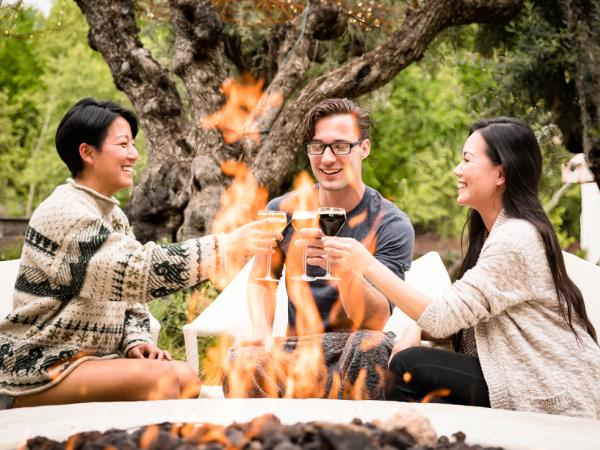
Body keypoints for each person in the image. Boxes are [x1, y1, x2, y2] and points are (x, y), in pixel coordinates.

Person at [0, 98, 281, 409]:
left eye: (133, 144)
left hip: (93, 360)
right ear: (87, 152)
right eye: (123, 144)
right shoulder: (65, 213)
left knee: (187, 378)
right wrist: (227, 246)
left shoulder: (111, 215)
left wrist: (137, 340)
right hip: (40, 365)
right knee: (163, 382)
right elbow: (139, 272)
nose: (134, 154)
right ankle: (19, 404)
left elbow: (131, 301)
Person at [323, 117, 600, 418]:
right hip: (520, 375)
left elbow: (442, 319)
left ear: (501, 174)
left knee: (409, 367)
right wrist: (415, 327)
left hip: (548, 387)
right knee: (413, 374)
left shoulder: (516, 238)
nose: (457, 170)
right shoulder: (497, 234)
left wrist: (366, 264)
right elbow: (457, 313)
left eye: (467, 160)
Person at [224, 98, 414, 400]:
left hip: (353, 347)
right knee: (241, 361)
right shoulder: (282, 210)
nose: (327, 159)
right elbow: (262, 279)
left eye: (341, 146)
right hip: (296, 350)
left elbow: (376, 321)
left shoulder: (391, 223)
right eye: (317, 146)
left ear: (364, 148)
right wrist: (260, 329)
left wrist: (343, 268)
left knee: (374, 348)